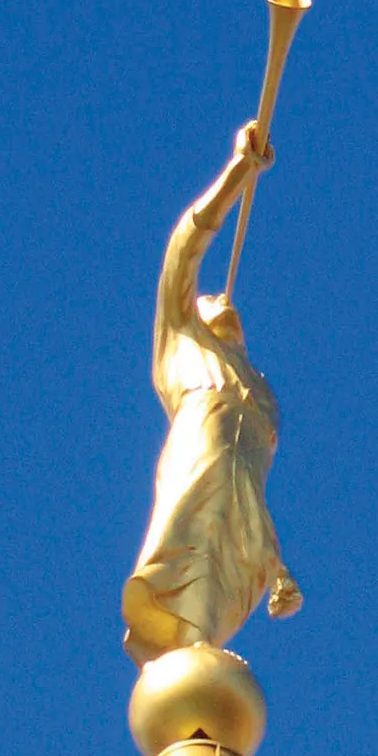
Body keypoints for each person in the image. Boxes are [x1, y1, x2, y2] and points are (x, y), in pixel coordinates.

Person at [121, 121, 303, 666]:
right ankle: (190, 638)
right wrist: (238, 173)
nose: (218, 296)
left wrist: (275, 563)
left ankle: (200, 640)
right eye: (205, 298)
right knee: (193, 541)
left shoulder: (259, 393)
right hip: (198, 455)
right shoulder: (179, 340)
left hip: (236, 493)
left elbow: (249, 488)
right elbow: (186, 246)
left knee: (225, 550)